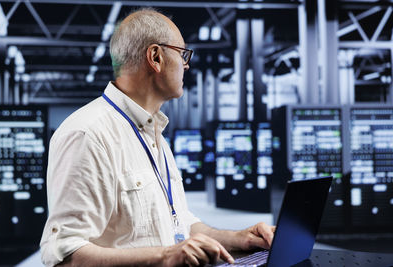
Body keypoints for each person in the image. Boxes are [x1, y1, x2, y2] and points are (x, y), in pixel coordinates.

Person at [40, 8, 275, 267]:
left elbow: (180, 224)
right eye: (182, 54)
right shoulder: (88, 135)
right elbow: (65, 257)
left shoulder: (155, 135)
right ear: (156, 57)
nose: (186, 64)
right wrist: (165, 257)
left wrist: (239, 239)